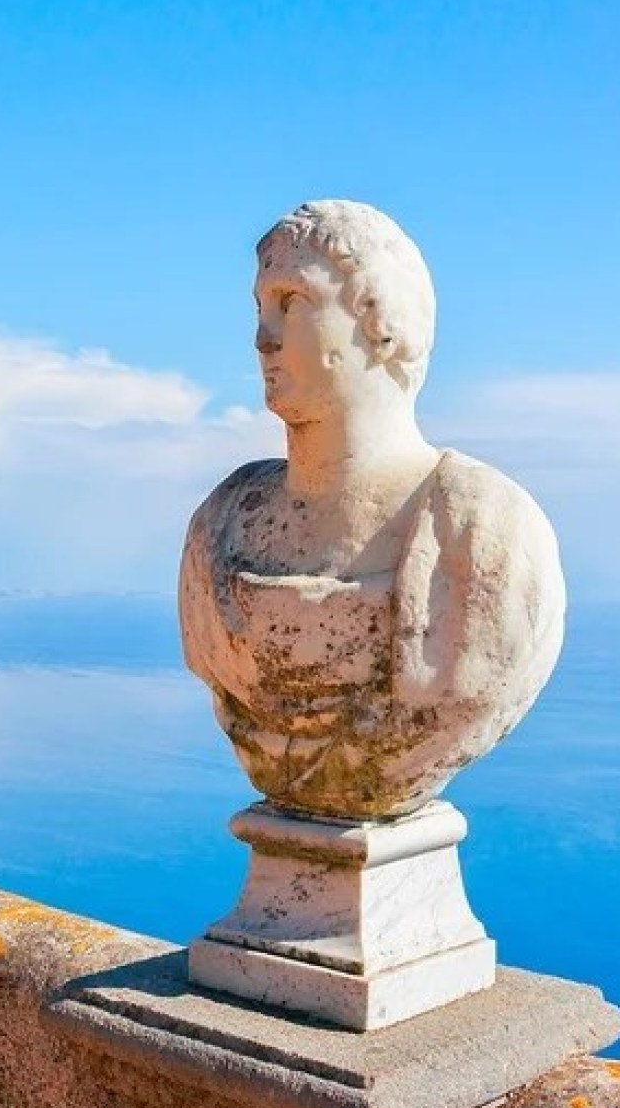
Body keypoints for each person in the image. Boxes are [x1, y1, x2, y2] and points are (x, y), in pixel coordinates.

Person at [179, 199, 565, 820]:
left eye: (292, 302)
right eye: (259, 308)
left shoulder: (483, 530)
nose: (263, 338)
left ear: (380, 324)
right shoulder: (222, 525)